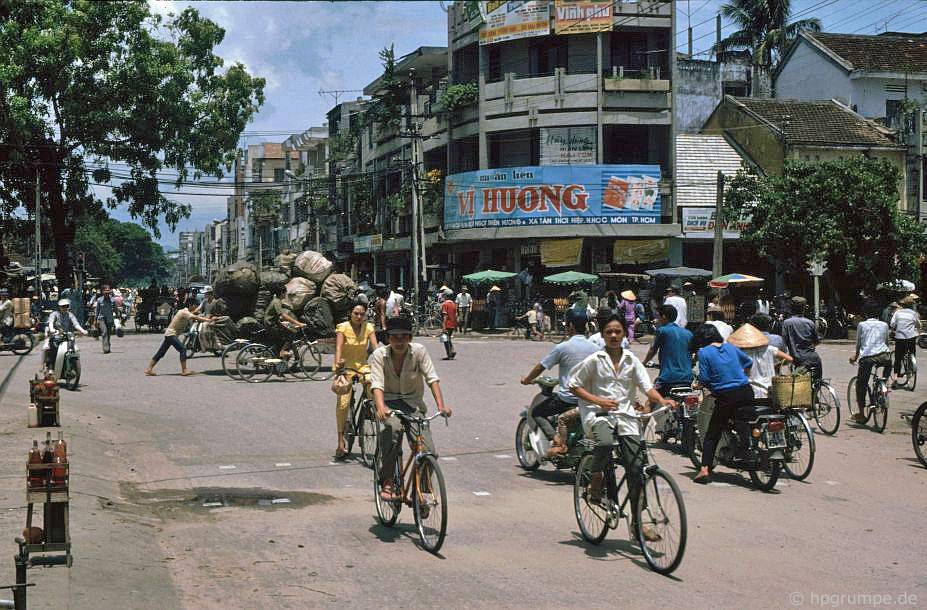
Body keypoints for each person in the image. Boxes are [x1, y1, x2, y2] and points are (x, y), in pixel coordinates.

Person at [566, 314, 675, 541]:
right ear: (603, 335)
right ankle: (595, 479)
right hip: (599, 415)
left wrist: (663, 401)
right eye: (609, 332)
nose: (614, 336)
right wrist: (598, 401)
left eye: (618, 331)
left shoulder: (631, 360)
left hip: (626, 417)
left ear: (624, 333)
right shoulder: (595, 359)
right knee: (604, 443)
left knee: (637, 470)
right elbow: (573, 385)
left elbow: (647, 387)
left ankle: (637, 524)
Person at [370, 316, 452, 502]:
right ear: (388, 338)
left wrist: (441, 405)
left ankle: (421, 491)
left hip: (413, 404)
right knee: (393, 430)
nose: (399, 340)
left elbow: (432, 378)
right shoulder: (379, 355)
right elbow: (377, 384)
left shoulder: (419, 351)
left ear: (410, 337)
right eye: (394, 336)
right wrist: (381, 406)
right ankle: (388, 480)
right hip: (389, 402)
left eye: (404, 336)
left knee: (428, 449)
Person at [520, 310, 598, 457]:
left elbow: (540, 366)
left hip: (567, 399)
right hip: (588, 398)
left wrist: (527, 379)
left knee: (537, 412)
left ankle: (557, 441)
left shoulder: (563, 347)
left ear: (571, 326)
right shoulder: (595, 348)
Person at [692, 324, 756, 484]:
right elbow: (748, 363)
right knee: (743, 421)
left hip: (727, 396)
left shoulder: (704, 352)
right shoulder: (731, 347)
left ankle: (704, 469)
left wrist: (704, 385)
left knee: (712, 433)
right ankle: (745, 447)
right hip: (746, 391)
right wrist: (741, 377)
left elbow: (705, 378)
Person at [333, 302, 379, 459]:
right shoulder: (343, 327)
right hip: (345, 367)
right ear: (350, 314)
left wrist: (383, 360)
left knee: (374, 386)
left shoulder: (369, 327)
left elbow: (375, 347)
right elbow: (338, 348)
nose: (359, 317)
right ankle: (340, 441)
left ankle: (370, 411)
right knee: (344, 403)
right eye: (356, 313)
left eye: (362, 314)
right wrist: (339, 365)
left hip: (363, 367)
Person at [144, 298, 211, 376]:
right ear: (190, 305)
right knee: (183, 349)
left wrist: (204, 316)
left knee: (161, 353)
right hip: (171, 334)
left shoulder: (186, 311)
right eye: (195, 306)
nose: (196, 308)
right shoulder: (184, 312)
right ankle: (184, 370)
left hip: (169, 334)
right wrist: (208, 320)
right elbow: (195, 317)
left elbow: (195, 314)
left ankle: (149, 369)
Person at [849, 305, 892, 423]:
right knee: (884, 374)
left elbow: (859, 343)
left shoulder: (862, 325)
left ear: (865, 315)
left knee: (861, 384)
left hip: (868, 357)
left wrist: (855, 356)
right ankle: (883, 386)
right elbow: (887, 342)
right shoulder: (884, 325)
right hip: (885, 356)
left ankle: (862, 414)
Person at [728, 323, 793, 399]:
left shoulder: (739, 352)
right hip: (770, 389)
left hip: (750, 390)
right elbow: (789, 359)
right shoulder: (769, 349)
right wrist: (776, 366)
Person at [643, 305, 694, 396]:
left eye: (658, 316)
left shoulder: (662, 330)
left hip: (668, 378)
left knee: (651, 401)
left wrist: (643, 363)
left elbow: (652, 350)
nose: (657, 319)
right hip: (687, 378)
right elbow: (694, 353)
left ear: (664, 317)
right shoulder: (688, 333)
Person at [781, 296, 822, 382]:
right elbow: (817, 341)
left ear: (791, 308)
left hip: (799, 360)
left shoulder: (787, 323)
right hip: (814, 358)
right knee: (816, 383)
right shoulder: (810, 322)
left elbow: (783, 343)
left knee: (798, 387)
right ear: (804, 308)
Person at [42, 299, 88, 371]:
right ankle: (50, 366)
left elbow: (76, 324)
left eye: (66, 306)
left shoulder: (70, 315)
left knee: (72, 348)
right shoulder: (54, 314)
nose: (64, 308)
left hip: (67, 336)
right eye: (63, 306)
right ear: (59, 307)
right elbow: (50, 322)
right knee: (54, 349)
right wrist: (52, 329)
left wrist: (82, 330)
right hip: (55, 336)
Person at [264, 285, 306, 358]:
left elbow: (280, 311)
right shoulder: (276, 301)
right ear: (282, 293)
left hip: (274, 323)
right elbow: (283, 315)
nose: (286, 294)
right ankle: (282, 351)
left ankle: (279, 354)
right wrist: (298, 323)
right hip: (271, 325)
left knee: (287, 330)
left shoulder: (277, 300)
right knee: (292, 332)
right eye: (285, 293)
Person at [890, 294, 921, 387]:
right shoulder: (914, 314)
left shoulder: (897, 313)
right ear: (911, 305)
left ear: (903, 304)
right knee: (912, 353)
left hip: (900, 338)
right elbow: (919, 325)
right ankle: (911, 369)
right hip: (911, 338)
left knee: (898, 358)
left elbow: (892, 324)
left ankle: (895, 378)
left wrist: (895, 328)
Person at [90, 284, 117, 354]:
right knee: (104, 332)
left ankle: (108, 345)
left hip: (110, 319)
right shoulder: (99, 300)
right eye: (105, 291)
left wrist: (117, 318)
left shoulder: (113, 300)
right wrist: (95, 321)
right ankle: (105, 348)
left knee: (108, 333)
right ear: (102, 292)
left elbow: (116, 310)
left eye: (108, 290)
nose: (107, 292)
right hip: (101, 319)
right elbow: (97, 311)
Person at [440, 294, 458, 360]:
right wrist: (455, 325)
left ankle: (450, 354)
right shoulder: (453, 304)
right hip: (452, 324)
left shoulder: (445, 304)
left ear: (446, 297)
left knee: (445, 340)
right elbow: (456, 315)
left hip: (447, 324)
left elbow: (445, 316)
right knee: (448, 338)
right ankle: (452, 351)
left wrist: (443, 326)